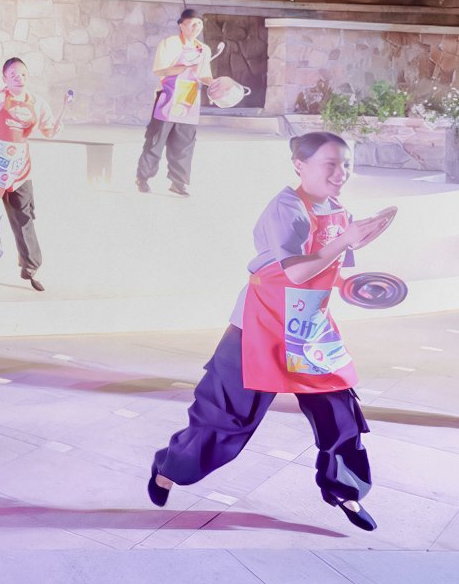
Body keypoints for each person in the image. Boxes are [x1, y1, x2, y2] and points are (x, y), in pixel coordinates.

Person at [147, 131, 396, 531]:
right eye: (331, 165)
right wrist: (346, 241)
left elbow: (329, 269)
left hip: (308, 328)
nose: (341, 174)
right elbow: (294, 271)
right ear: (300, 165)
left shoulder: (338, 210)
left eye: (346, 164)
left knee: (340, 414)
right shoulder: (286, 208)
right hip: (258, 327)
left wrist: (352, 284)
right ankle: (168, 468)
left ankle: (345, 491)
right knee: (225, 421)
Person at [0, 57, 66, 293]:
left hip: (19, 168)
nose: (19, 79)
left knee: (24, 218)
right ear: (4, 79)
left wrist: (57, 126)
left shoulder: (37, 103)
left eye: (23, 74)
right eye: (13, 75)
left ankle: (30, 267)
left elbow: (49, 130)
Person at [136, 8, 215, 197]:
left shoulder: (204, 49)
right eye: (192, 23)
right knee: (156, 140)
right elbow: (159, 71)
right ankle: (143, 178)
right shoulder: (169, 44)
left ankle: (178, 183)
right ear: (182, 25)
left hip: (190, 100)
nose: (196, 27)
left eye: (199, 24)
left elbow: (204, 75)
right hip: (168, 98)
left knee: (184, 144)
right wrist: (184, 67)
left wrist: (216, 84)